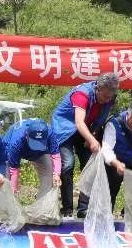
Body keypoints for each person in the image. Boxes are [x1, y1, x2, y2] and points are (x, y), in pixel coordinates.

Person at [50, 72, 119, 217]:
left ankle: (83, 209)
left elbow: (100, 117)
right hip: (65, 129)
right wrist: (92, 140)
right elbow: (79, 122)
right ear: (98, 88)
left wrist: (92, 134)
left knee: (90, 163)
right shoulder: (82, 94)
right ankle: (67, 209)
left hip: (85, 129)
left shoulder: (109, 98)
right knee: (67, 164)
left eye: (110, 97)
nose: (106, 100)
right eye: (105, 96)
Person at [3, 118, 61, 199]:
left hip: (40, 152)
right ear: (26, 135)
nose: (36, 147)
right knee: (7, 181)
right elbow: (14, 170)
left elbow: (56, 155)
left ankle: (41, 205)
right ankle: (8, 205)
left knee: (50, 174)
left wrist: (57, 174)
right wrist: (14, 189)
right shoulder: (15, 141)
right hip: (14, 150)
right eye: (35, 142)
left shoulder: (49, 133)